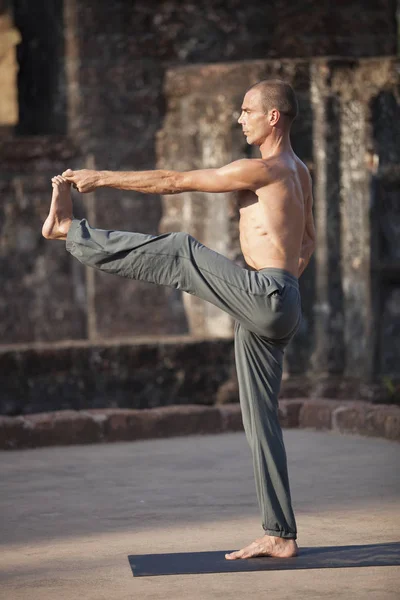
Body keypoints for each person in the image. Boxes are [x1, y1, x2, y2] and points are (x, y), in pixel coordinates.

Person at [42, 79, 316, 560]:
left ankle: (69, 231)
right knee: (261, 421)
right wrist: (280, 288)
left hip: (266, 294)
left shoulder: (263, 169)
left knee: (180, 250)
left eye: (247, 109)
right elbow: (308, 241)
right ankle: (280, 534)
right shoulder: (300, 172)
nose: (239, 117)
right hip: (283, 298)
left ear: (274, 117)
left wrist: (100, 177)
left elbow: (174, 181)